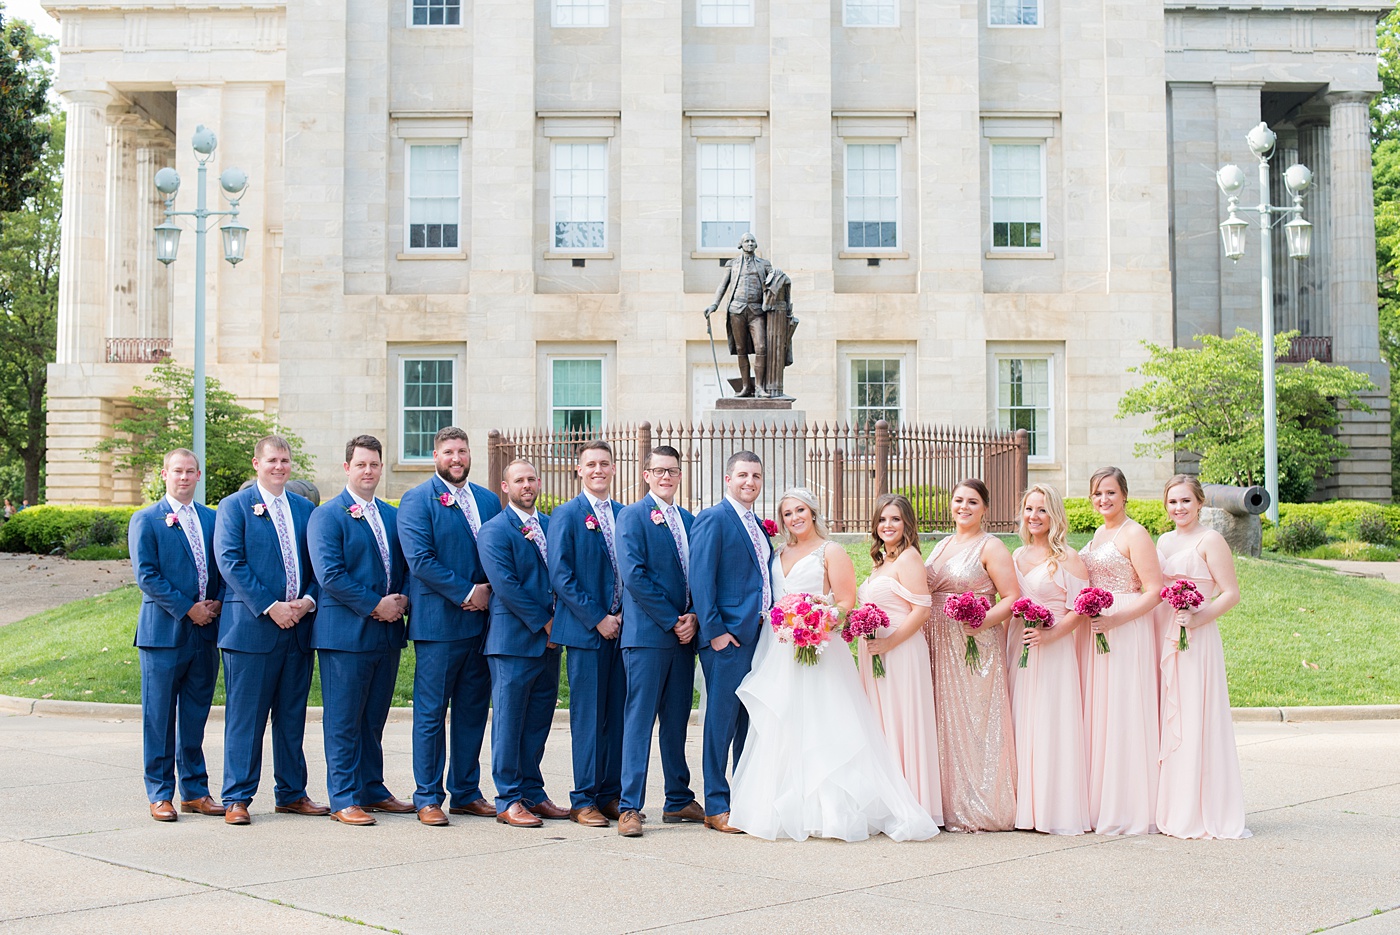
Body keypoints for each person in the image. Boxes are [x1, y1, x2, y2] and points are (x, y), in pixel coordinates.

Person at [729, 488, 939, 842]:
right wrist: (790, 623)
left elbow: (845, 601)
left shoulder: (832, 551)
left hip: (819, 647)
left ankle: (831, 811)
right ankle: (777, 807)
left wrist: (817, 620)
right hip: (781, 649)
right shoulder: (777, 553)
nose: (795, 518)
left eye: (801, 510)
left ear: (813, 512)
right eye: (787, 513)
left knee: (824, 723)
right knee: (785, 721)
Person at [213, 435, 327, 825]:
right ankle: (237, 797)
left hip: (298, 627)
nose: (279, 466)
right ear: (256, 464)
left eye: (285, 460)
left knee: (292, 716)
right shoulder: (234, 507)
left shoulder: (304, 509)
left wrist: (307, 602)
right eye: (272, 460)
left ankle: (292, 793)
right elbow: (231, 562)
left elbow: (317, 563)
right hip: (251, 630)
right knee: (247, 718)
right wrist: (270, 606)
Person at [395, 426, 501, 826]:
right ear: (435, 456)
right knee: (431, 713)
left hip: (484, 627)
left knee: (473, 711)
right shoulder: (417, 500)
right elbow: (419, 560)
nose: (456, 459)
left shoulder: (489, 500)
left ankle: (466, 792)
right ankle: (427, 796)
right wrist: (467, 592)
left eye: (462, 451)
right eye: (448, 452)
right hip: (439, 625)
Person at [307, 436, 413, 826]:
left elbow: (402, 566)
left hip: (386, 635)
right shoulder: (328, 515)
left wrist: (401, 600)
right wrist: (375, 605)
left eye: (374, 464)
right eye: (361, 464)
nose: (368, 471)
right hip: (344, 635)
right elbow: (330, 575)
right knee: (344, 718)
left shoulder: (390, 514)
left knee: (373, 717)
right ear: (347, 468)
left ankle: (371, 787)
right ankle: (343, 796)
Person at [128, 449, 225, 822]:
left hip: (205, 634)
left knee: (196, 716)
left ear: (199, 475)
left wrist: (214, 603)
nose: (184, 478)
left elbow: (221, 565)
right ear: (165, 474)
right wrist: (189, 608)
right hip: (163, 634)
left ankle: (195, 791)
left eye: (190, 472)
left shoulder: (212, 519)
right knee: (159, 716)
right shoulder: (147, 520)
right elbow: (147, 576)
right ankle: (160, 793)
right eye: (177, 472)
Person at [614, 445, 704, 838]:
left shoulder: (688, 519)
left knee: (676, 721)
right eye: (659, 471)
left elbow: (698, 574)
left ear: (680, 476)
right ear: (646, 474)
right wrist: (672, 620)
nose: (666, 477)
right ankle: (629, 806)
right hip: (648, 637)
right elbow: (634, 576)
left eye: (673, 471)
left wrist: (695, 617)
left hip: (684, 638)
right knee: (639, 721)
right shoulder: (632, 517)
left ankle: (678, 798)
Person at [1155, 475, 1250, 840]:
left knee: (1195, 713)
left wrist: (1197, 617)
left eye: (1185, 501)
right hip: (1168, 630)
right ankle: (1174, 805)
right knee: (1172, 713)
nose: (1178, 508)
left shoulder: (1211, 540)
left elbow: (1230, 593)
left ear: (1199, 503)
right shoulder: (1163, 541)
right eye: (1172, 502)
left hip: (1197, 635)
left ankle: (1202, 809)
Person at [923, 478, 1020, 832]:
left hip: (973, 645)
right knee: (944, 723)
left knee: (976, 723)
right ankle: (947, 804)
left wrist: (980, 621)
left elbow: (1011, 597)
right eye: (959, 500)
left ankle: (982, 806)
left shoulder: (991, 546)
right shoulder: (942, 544)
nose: (963, 506)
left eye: (973, 502)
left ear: (985, 509)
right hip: (937, 643)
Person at [477, 459, 567, 828]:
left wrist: (560, 625)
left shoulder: (550, 525)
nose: (526, 485)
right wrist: (547, 624)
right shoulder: (495, 530)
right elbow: (506, 586)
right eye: (519, 480)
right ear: (505, 486)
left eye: (531, 478)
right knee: (510, 722)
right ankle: (508, 798)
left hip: (551, 640)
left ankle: (533, 791)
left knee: (538, 721)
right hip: (513, 641)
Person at [689, 451, 772, 832]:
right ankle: (715, 804)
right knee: (720, 722)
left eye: (755, 476)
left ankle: (741, 799)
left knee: (746, 722)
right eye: (742, 475)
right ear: (728, 479)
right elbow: (701, 580)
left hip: (759, 639)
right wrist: (716, 633)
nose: (749, 482)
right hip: (727, 640)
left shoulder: (758, 525)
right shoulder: (714, 519)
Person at [1079, 466, 1164, 836]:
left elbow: (1155, 590)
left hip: (1126, 629)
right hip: (1097, 628)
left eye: (1110, 493)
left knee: (1124, 710)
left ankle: (1129, 806)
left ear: (1124, 495)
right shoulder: (1099, 533)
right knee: (1102, 712)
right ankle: (1101, 800)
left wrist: (1116, 619)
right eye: (1097, 493)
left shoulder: (1135, 533)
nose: (1103, 500)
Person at [547, 440, 626, 828]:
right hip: (585, 632)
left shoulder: (625, 514)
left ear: (613, 469)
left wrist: (624, 614)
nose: (598, 469)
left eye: (604, 464)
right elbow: (561, 575)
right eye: (591, 464)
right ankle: (583, 798)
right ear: (579, 470)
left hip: (624, 631)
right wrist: (598, 618)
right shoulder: (567, 514)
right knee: (589, 717)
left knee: (617, 715)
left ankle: (610, 793)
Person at [1010, 484, 1092, 835]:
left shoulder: (1069, 559)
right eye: (1029, 509)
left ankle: (1050, 808)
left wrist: (1049, 634)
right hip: (1018, 644)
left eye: (1042, 510)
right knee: (1020, 720)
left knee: (1048, 723)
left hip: (1053, 648)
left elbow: (1080, 609)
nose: (1034, 517)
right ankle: (1021, 807)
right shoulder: (1016, 557)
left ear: (1054, 515)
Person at [858, 493, 943, 825]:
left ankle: (912, 802)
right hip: (877, 654)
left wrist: (889, 643)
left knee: (901, 722)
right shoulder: (883, 562)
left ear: (907, 522)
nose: (887, 525)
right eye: (882, 519)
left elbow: (922, 610)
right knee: (882, 726)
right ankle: (888, 801)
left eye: (894, 519)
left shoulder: (908, 559)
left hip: (901, 652)